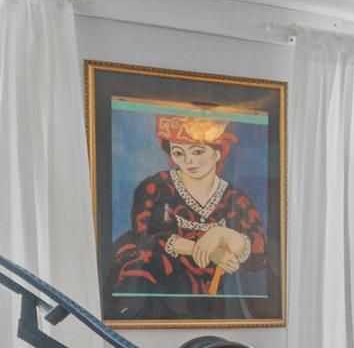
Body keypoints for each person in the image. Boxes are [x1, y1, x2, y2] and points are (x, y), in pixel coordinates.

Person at [106, 112, 271, 321]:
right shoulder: (155, 188)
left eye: (197, 151)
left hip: (214, 303)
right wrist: (206, 251)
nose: (188, 161)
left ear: (218, 152)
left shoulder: (236, 200)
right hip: (155, 285)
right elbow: (147, 237)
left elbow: (258, 254)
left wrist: (222, 234)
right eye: (178, 152)